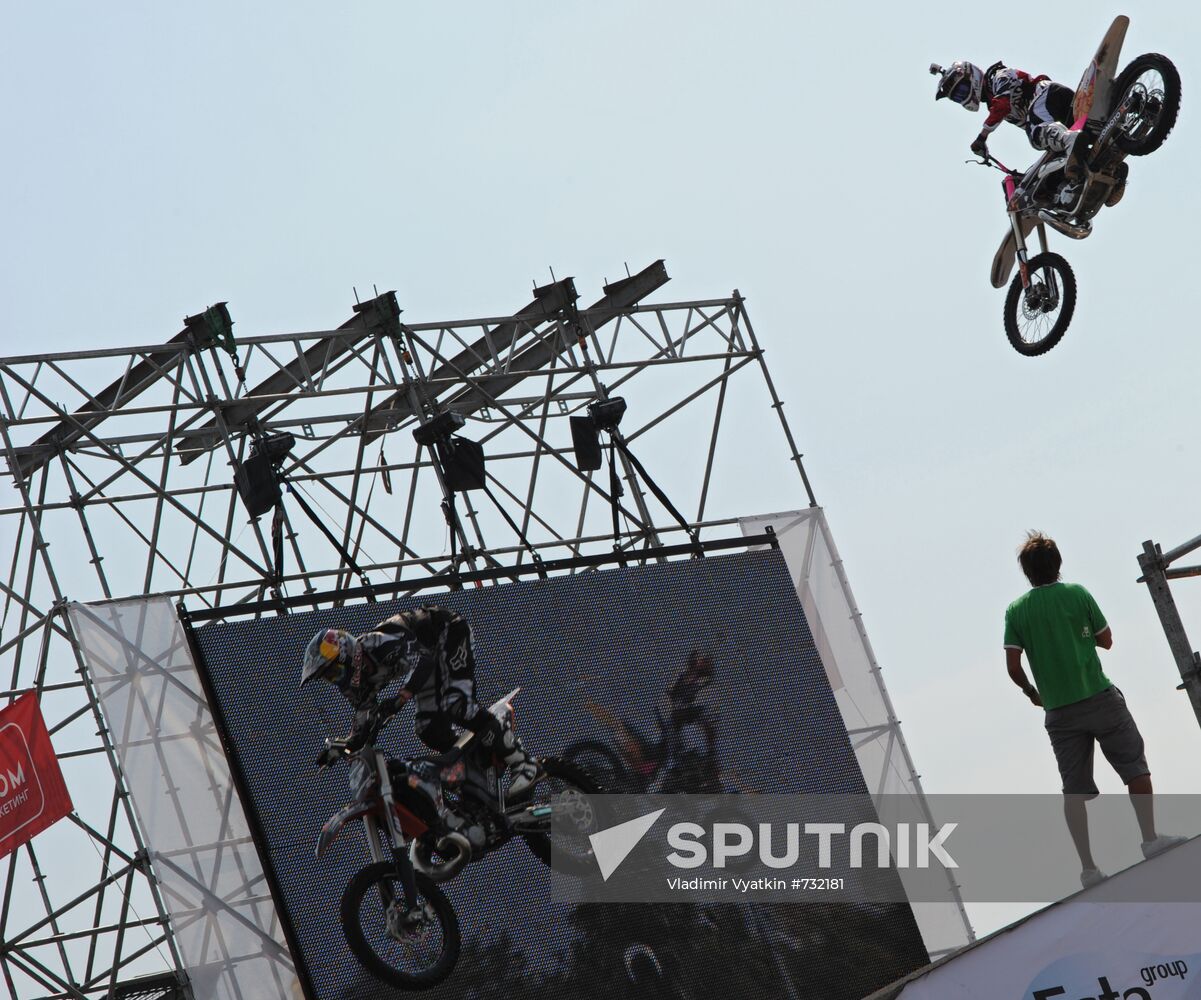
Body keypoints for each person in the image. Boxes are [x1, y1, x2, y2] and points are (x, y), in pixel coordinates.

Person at [1002, 532, 1184, 888]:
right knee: (1135, 767)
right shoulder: (1077, 594)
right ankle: (1150, 839)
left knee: (1073, 790)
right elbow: (1107, 640)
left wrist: (1031, 692)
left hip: (1058, 711)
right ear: (1058, 565)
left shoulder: (1016, 610)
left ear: (1027, 572)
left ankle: (1088, 868)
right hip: (1098, 696)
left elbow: (1012, 666)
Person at [300, 606, 541, 805]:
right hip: (429, 662)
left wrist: (400, 698)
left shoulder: (376, 645)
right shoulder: (352, 686)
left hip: (448, 633)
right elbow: (363, 724)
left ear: (346, 653)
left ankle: (522, 761)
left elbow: (422, 661)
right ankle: (474, 770)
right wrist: (340, 747)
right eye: (328, 676)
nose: (334, 678)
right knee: (427, 728)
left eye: (334, 669)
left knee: (457, 704)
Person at [932, 60, 1084, 167]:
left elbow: (1002, 106)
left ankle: (1069, 140)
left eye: (962, 90)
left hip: (1049, 94)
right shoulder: (995, 104)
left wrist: (982, 137)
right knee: (1047, 145)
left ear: (971, 76)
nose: (963, 96)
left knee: (1036, 134)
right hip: (1055, 115)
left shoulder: (999, 76)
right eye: (958, 96)